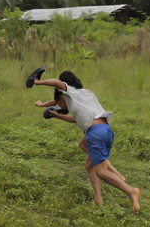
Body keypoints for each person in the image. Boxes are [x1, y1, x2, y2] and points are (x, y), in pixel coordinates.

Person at [27, 68, 140, 214]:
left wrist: (36, 81)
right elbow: (77, 118)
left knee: (101, 172)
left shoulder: (70, 92)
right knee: (88, 160)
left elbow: (56, 83)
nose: (61, 108)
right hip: (106, 130)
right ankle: (99, 199)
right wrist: (54, 113)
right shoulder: (86, 94)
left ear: (63, 92)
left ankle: (130, 191)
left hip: (95, 133)